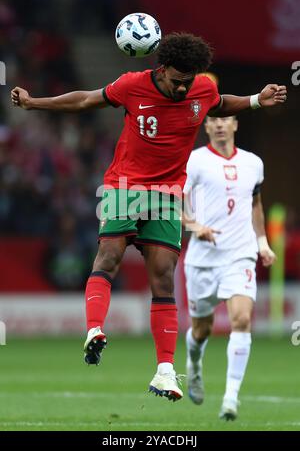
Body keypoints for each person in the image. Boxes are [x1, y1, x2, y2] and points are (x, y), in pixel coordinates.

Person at [11, 33, 287, 402]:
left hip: (168, 195)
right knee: (108, 257)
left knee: (163, 281)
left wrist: (255, 100)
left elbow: (219, 105)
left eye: (188, 81)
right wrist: (34, 103)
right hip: (124, 185)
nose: (182, 87)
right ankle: (94, 329)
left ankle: (165, 371)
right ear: (162, 69)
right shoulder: (132, 85)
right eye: (176, 80)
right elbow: (85, 101)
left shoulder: (199, 90)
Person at [183, 115, 276, 417]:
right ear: (206, 127)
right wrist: (195, 226)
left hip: (240, 254)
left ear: (235, 124)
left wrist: (262, 242)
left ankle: (231, 398)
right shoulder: (195, 161)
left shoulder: (253, 163)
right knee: (201, 330)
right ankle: (194, 364)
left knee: (241, 320)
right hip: (202, 259)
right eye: (213, 120)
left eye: (225, 119)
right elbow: (175, 202)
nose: (220, 124)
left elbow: (256, 204)